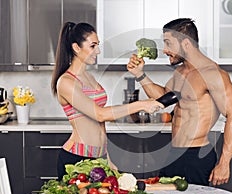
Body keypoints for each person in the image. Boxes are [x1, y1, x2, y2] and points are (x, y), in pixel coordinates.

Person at [127, 18, 232, 186]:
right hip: (173, 152)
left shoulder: (212, 74)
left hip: (196, 155)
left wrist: (224, 163)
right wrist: (140, 75)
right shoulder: (181, 72)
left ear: (186, 44)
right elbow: (164, 97)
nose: (165, 50)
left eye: (169, 43)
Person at [51, 22, 163, 180]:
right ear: (76, 48)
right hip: (77, 159)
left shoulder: (89, 77)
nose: (98, 51)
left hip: (99, 158)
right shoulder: (67, 82)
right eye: (93, 46)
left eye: (98, 45)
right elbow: (100, 114)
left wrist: (107, 158)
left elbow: (99, 125)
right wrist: (142, 104)